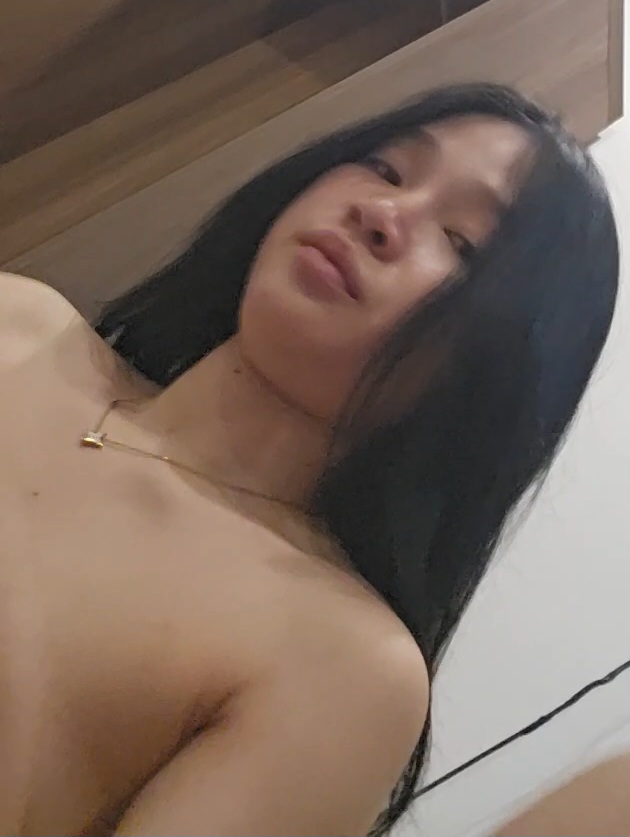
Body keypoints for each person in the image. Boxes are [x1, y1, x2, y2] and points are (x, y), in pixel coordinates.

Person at [0, 82, 619, 836]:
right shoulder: (18, 320)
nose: (383, 213)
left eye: (461, 242)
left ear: (498, 373)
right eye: (386, 168)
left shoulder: (344, 661)